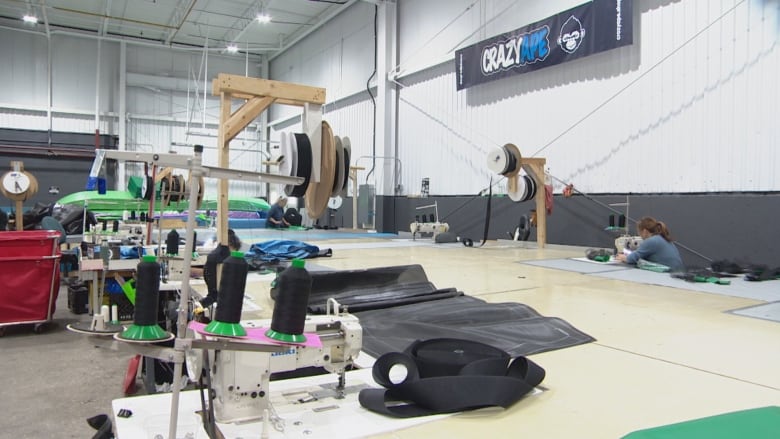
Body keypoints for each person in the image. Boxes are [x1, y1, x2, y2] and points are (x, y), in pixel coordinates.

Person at [616, 216, 684, 272]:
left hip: (668, 274)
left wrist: (622, 257)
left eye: (639, 233)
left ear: (645, 231)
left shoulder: (651, 241)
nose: (639, 235)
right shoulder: (663, 238)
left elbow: (632, 259)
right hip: (678, 272)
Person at [196, 229, 242, 310]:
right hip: (212, 275)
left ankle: (199, 306)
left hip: (209, 273)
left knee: (213, 295)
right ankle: (199, 306)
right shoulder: (223, 253)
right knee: (214, 296)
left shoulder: (219, 251)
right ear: (230, 244)